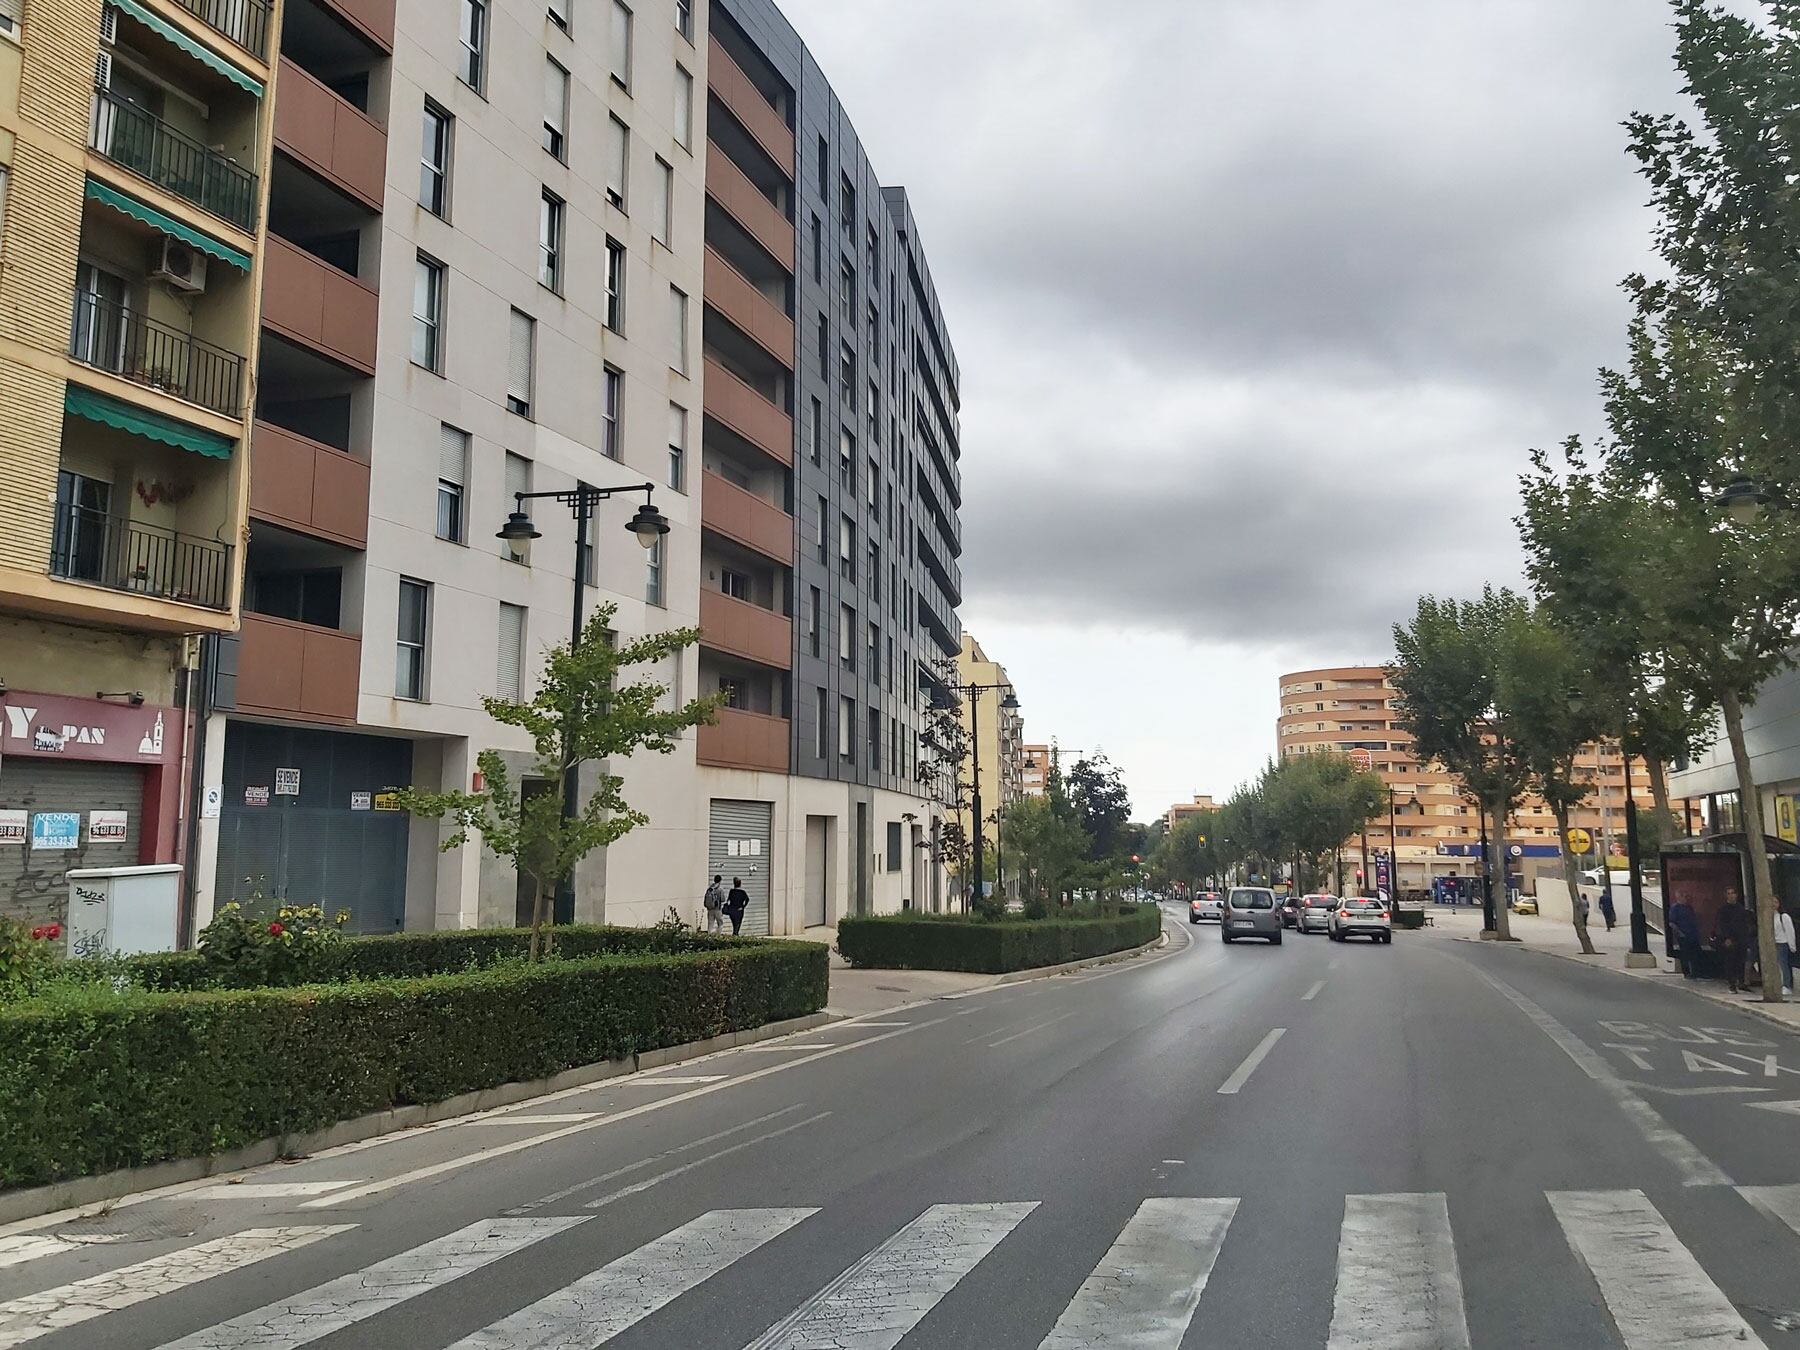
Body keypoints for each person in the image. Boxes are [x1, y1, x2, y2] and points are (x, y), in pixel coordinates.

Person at [1718, 898, 1752, 994]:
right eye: (1729, 894)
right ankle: (1731, 984)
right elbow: (1722, 925)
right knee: (1730, 961)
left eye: (1733, 893)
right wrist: (1726, 938)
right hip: (1730, 939)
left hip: (1741, 939)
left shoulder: (1740, 908)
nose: (1731, 896)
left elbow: (1744, 923)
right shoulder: (1723, 909)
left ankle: (1741, 982)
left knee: (1741, 961)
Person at [1668, 898, 1701, 978]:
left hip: (1693, 935)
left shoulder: (1689, 907)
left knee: (1695, 954)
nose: (1685, 898)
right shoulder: (1675, 908)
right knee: (1685, 955)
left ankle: (1695, 973)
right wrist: (1680, 933)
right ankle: (1687, 973)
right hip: (1683, 935)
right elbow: (1671, 923)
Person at [1778, 901, 1796, 995]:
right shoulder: (1770, 916)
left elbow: (1790, 931)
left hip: (1782, 942)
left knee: (1784, 964)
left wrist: (1792, 945)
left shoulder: (1784, 916)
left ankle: (1786, 985)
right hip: (1774, 943)